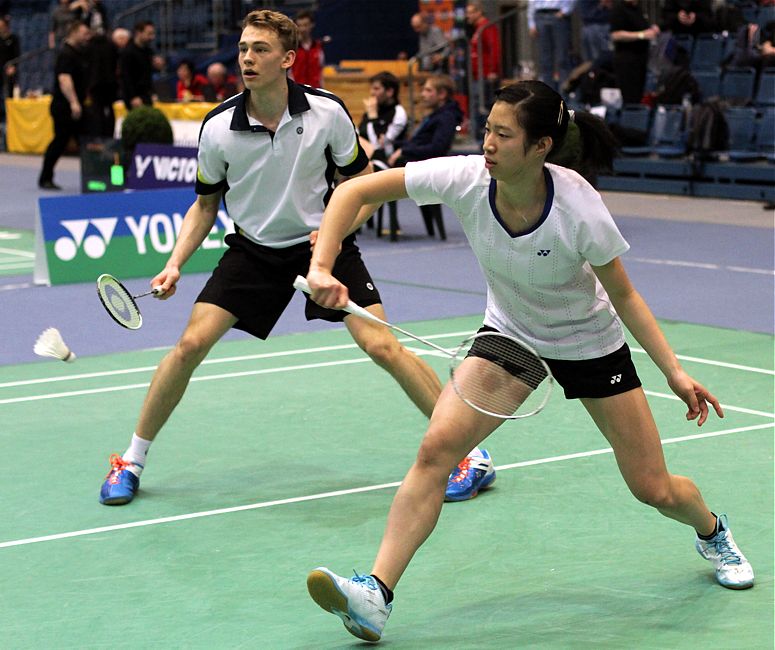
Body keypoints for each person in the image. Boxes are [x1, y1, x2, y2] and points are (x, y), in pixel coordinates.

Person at [302, 79, 755, 642]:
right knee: (437, 449)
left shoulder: (578, 206)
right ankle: (376, 594)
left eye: (502, 134)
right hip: (512, 333)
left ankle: (711, 530)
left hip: (590, 343)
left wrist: (674, 371)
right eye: (487, 129)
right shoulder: (466, 177)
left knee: (653, 488)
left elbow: (625, 295)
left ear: (540, 146)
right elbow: (354, 193)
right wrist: (322, 267)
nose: (486, 143)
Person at [98, 9, 481, 507]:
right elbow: (205, 204)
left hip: (321, 246)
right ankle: (130, 460)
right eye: (242, 49)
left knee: (383, 347)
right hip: (254, 251)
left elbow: (362, 187)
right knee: (190, 344)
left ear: (288, 59)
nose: (247, 58)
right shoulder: (217, 127)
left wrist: (338, 232)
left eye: (259, 49)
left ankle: (471, 456)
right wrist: (174, 262)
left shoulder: (326, 112)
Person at [387, 74, 463, 240]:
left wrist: (404, 151)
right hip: (416, 159)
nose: (423, 94)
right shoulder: (435, 115)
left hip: (428, 165)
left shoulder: (446, 117)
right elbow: (418, 141)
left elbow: (437, 148)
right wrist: (397, 144)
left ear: (442, 94)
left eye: (428, 90)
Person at [38, 21, 91, 190]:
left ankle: (93, 178)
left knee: (86, 141)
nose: (87, 36)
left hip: (77, 104)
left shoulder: (79, 53)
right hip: (64, 106)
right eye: (84, 33)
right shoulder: (66, 54)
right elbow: (64, 80)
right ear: (73, 32)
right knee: (60, 142)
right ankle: (45, 177)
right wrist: (74, 102)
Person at [610, 0, 660, 104]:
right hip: (626, 59)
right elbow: (615, 35)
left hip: (641, 57)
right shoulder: (619, 9)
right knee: (630, 96)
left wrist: (652, 30)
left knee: (638, 95)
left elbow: (641, 27)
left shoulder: (637, 8)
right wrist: (641, 35)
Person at [465, 1, 501, 140]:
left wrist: (493, 70)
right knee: (476, 106)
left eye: (470, 12)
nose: (467, 16)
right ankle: (478, 138)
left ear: (478, 12)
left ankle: (483, 139)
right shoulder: (477, 29)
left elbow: (494, 48)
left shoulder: (487, 27)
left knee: (484, 107)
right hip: (477, 75)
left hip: (486, 75)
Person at [358, 71, 407, 169]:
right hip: (367, 158)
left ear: (389, 92)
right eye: (371, 88)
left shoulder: (398, 113)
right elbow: (360, 133)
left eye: (376, 89)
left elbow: (378, 144)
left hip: (385, 163)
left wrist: (373, 117)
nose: (372, 93)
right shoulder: (374, 109)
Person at [528, 0, 577, 91]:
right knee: (545, 60)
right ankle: (549, 95)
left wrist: (566, 10)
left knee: (562, 58)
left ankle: (564, 94)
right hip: (540, 14)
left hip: (558, 14)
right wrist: (531, 23)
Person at [119, 20, 155, 109]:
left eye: (153, 34)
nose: (152, 37)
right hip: (134, 97)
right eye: (149, 34)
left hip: (146, 95)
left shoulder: (148, 51)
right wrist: (133, 97)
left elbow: (147, 75)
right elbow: (126, 77)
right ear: (139, 33)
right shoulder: (128, 52)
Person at [290, 9, 324, 88]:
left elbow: (320, 72)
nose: (303, 29)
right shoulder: (291, 48)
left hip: (315, 91)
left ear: (312, 25)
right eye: (299, 25)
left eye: (305, 25)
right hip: (297, 90)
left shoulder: (318, 47)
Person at [0, 15, 20, 120]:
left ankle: (11, 117)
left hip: (9, 71)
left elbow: (17, 55)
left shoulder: (13, 38)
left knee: (9, 94)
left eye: (2, 25)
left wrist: (13, 66)